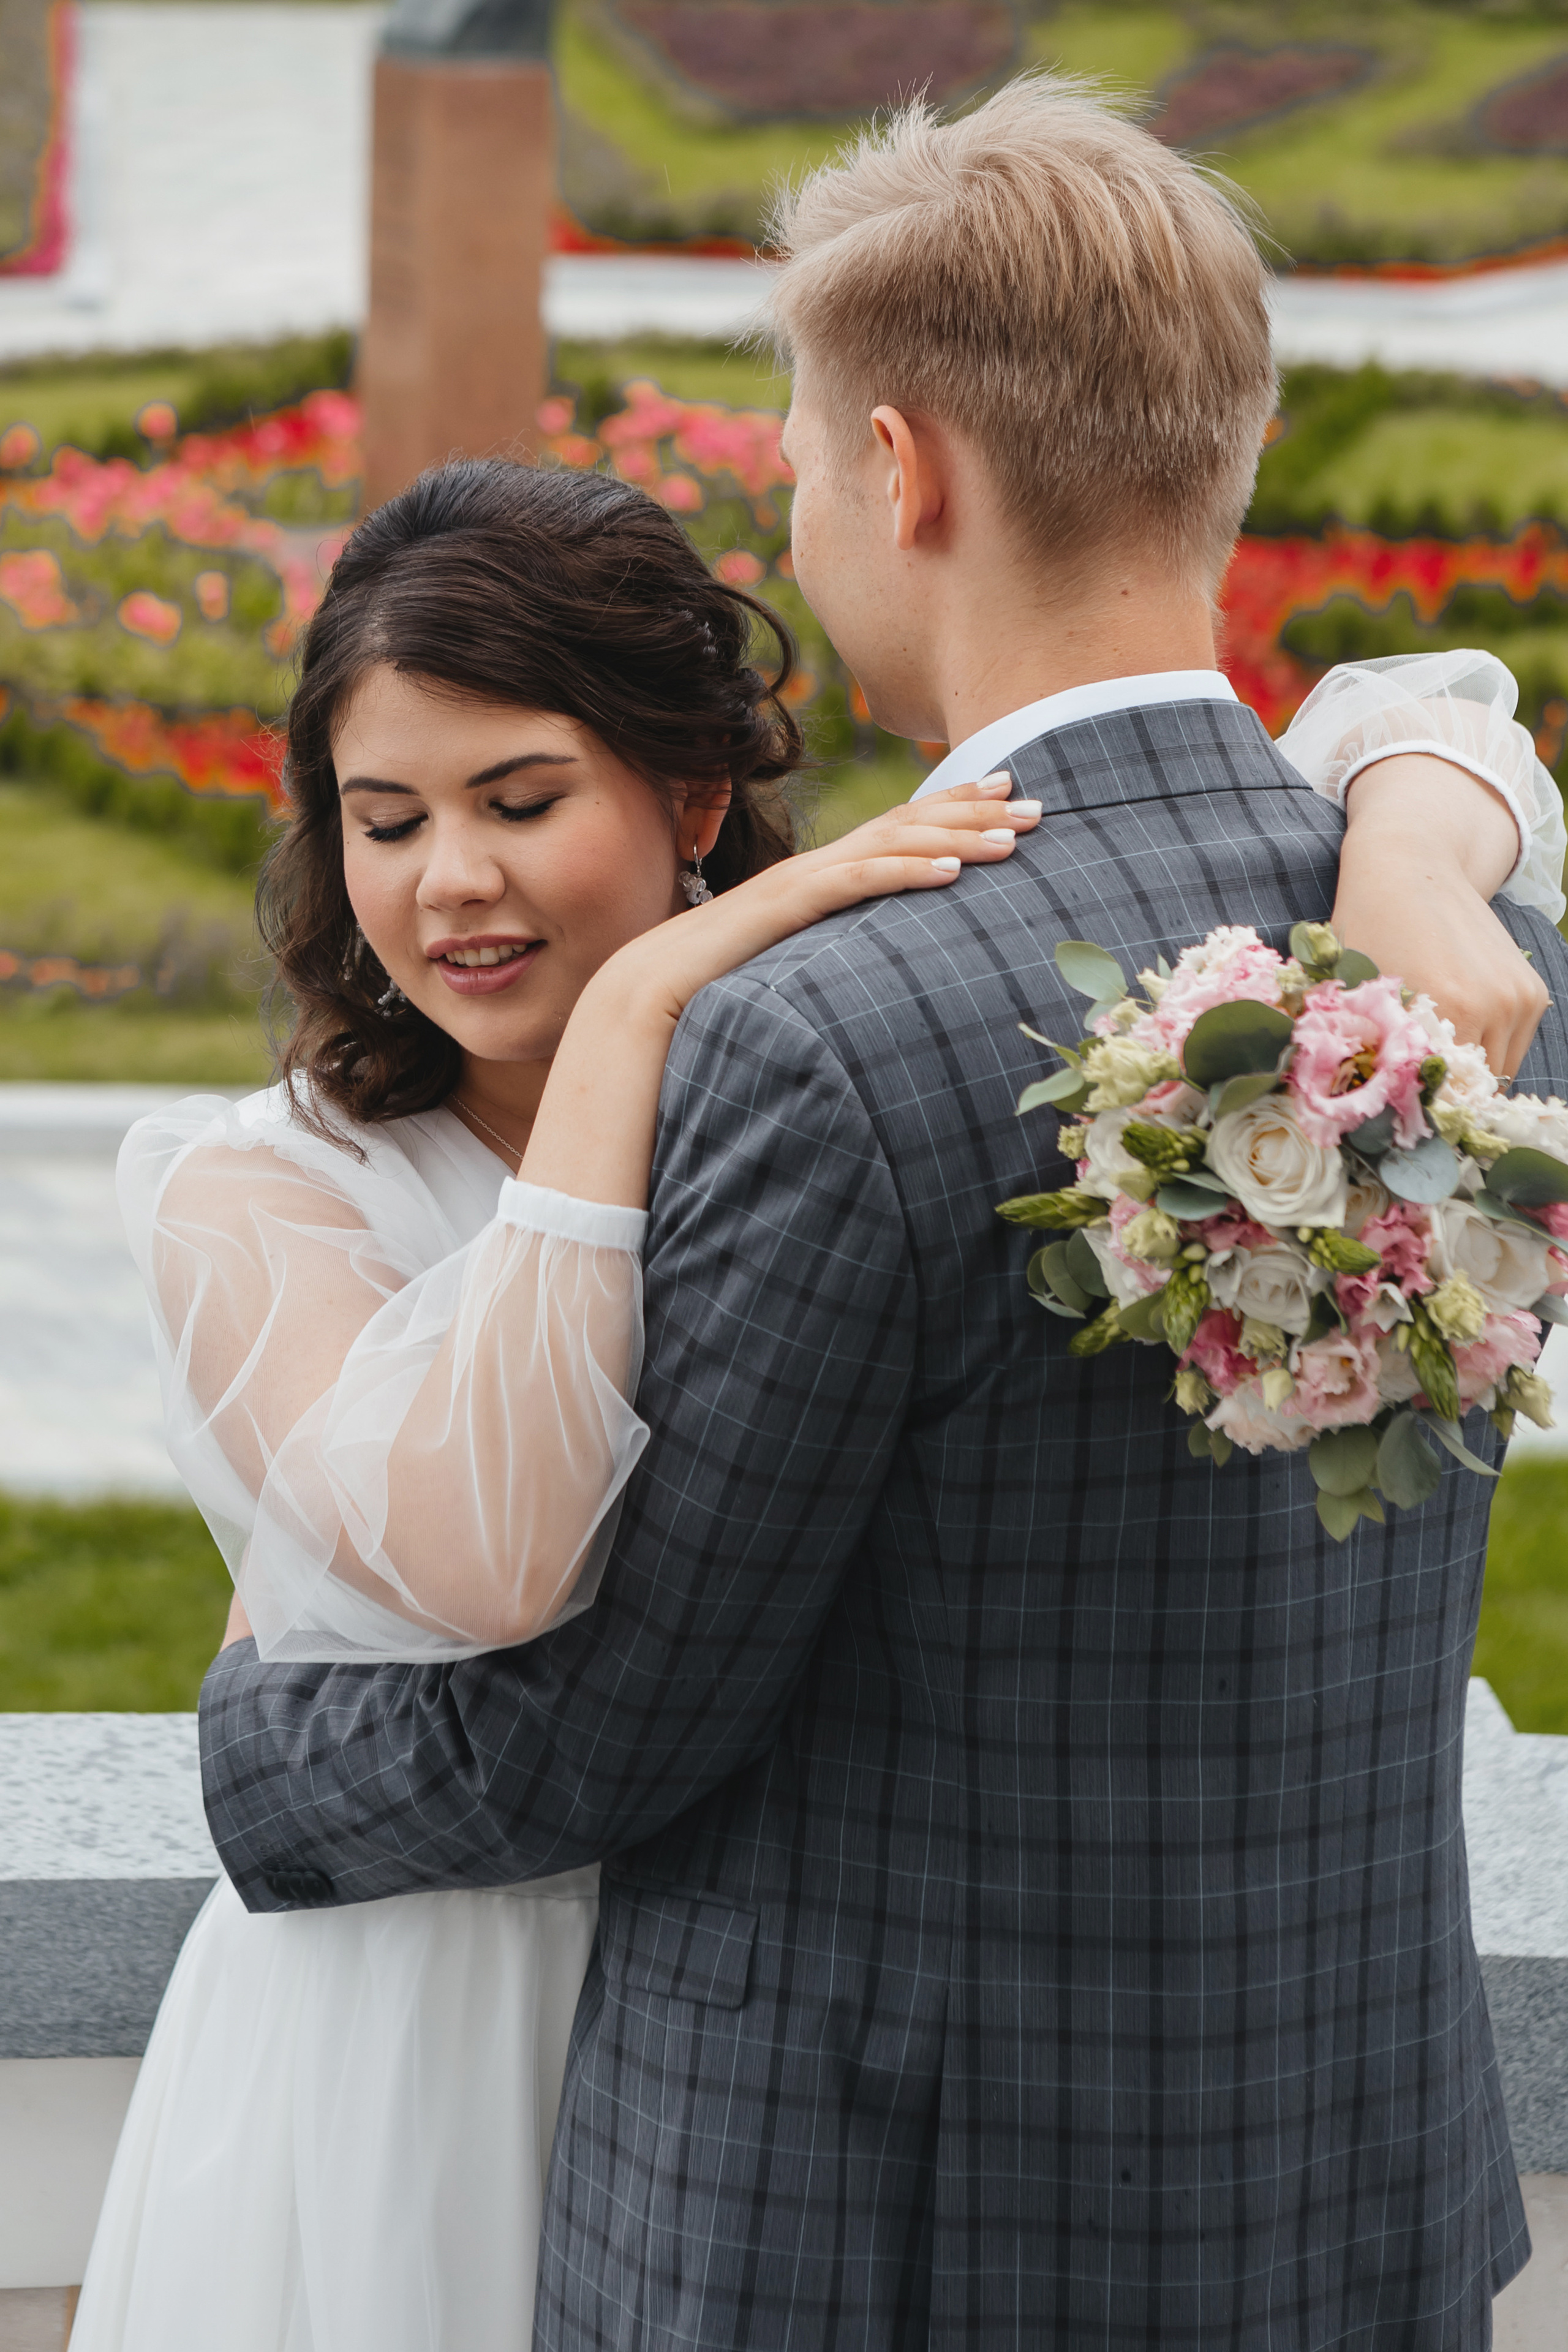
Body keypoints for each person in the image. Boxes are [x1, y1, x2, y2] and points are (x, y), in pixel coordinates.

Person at [163, 81, 1567, 2350]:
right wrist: (1432, 797)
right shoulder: (1459, 956)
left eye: (807, 463)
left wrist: (253, 1749)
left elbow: (600, 1732)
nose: (807, 512)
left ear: (902, 470)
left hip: (873, 2246)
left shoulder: (827, 1030)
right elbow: (1464, 763)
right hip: (1358, 2192)